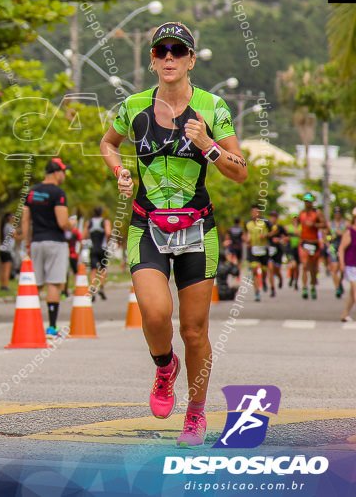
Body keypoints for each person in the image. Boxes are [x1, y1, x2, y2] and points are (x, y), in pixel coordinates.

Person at [99, 22, 248, 447]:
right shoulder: (132, 107)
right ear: (151, 59)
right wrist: (119, 170)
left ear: (190, 59)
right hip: (147, 223)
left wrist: (209, 145)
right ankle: (165, 367)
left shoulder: (212, 107)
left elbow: (240, 172)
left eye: (178, 51)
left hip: (197, 227)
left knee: (195, 330)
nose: (169, 57)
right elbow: (108, 144)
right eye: (161, 50)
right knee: (155, 312)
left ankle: (195, 415)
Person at [19, 157, 75, 338]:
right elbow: (62, 222)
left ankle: (28, 325)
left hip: (36, 242)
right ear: (57, 173)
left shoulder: (31, 193)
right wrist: (71, 224)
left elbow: (25, 220)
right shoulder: (58, 193)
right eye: (64, 172)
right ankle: (51, 328)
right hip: (55, 243)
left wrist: (28, 243)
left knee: (36, 285)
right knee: (54, 283)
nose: (65, 176)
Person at [297, 194, 327, 300]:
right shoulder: (301, 213)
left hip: (314, 243)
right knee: (305, 265)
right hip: (304, 242)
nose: (307, 203)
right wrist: (296, 229)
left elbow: (325, 225)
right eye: (305, 201)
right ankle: (305, 287)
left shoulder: (317, 213)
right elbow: (296, 223)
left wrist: (314, 225)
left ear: (312, 202)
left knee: (313, 268)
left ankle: (313, 286)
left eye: (309, 201)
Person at [243, 205, 271, 301]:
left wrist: (266, 235)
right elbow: (244, 234)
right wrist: (246, 239)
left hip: (263, 249)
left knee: (264, 269)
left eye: (257, 212)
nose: (255, 214)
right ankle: (257, 292)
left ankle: (264, 279)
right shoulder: (247, 223)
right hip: (253, 249)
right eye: (253, 212)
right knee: (254, 270)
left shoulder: (265, 222)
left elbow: (273, 232)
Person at [87, 206, 112, 301]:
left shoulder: (89, 222)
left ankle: (93, 288)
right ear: (102, 213)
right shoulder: (105, 222)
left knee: (93, 269)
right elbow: (108, 232)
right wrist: (108, 240)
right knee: (103, 269)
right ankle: (101, 287)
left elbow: (84, 235)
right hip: (103, 248)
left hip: (93, 248)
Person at [338, 208, 356, 322]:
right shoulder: (350, 231)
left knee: (352, 292)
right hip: (351, 265)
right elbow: (341, 249)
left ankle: (345, 314)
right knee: (355, 289)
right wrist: (342, 263)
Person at [328, 206, 348, 299]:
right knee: (335, 268)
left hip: (343, 247)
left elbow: (350, 234)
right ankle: (337, 289)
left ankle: (340, 282)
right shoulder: (330, 224)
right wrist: (329, 238)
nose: (337, 214)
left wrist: (342, 234)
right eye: (335, 212)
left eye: (339, 212)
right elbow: (325, 236)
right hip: (333, 247)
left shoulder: (346, 224)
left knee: (342, 269)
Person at [0, 212, 17, 292]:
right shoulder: (10, 227)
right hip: (7, 251)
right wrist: (24, 236)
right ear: (10, 218)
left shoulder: (5, 226)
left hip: (2, 250)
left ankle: (2, 286)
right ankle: (5, 286)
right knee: (7, 270)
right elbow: (15, 236)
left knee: (3, 269)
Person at [64, 216, 82, 297]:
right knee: (75, 273)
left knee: (65, 274)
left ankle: (64, 291)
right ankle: (75, 289)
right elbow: (80, 243)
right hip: (73, 255)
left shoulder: (64, 231)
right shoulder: (76, 231)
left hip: (65, 255)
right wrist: (78, 253)